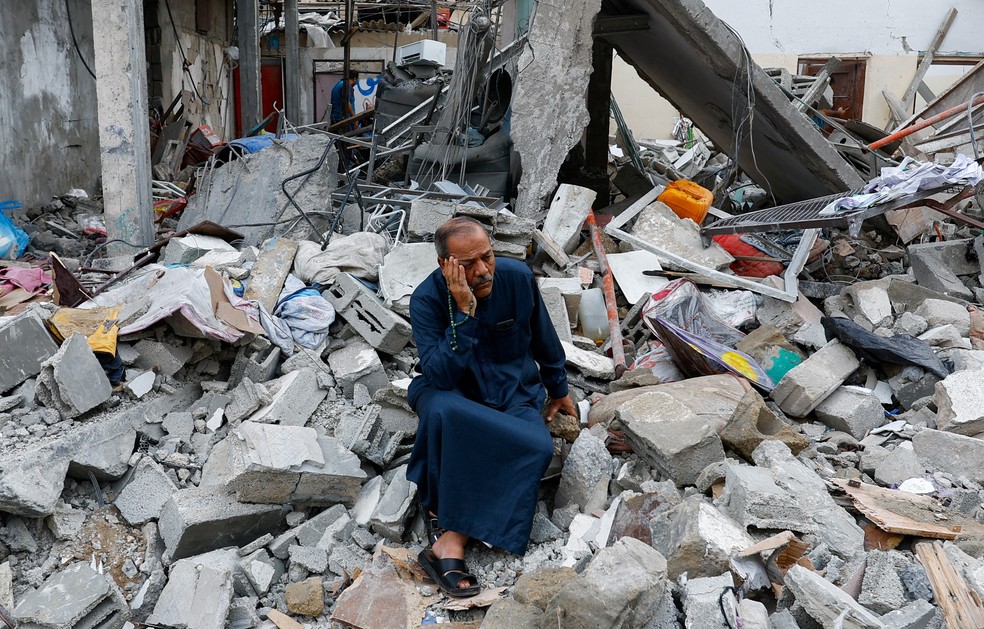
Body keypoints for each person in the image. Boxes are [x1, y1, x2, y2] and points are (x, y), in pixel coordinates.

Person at [406, 216, 576, 597]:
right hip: (454, 393)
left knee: (537, 446)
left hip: (512, 390)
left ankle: (449, 528)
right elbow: (442, 374)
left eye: (487, 257)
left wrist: (558, 387)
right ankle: (449, 540)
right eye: (468, 265)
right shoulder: (427, 300)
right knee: (441, 411)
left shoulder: (516, 278)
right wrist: (464, 313)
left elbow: (543, 336)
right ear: (445, 265)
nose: (482, 271)